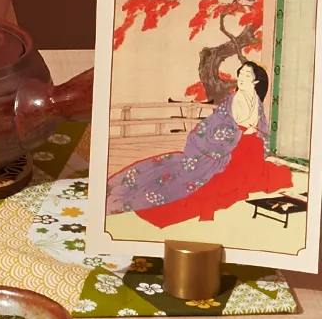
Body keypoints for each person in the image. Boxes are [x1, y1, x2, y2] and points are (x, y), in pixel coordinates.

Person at [106, 61, 294, 228]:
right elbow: (212, 126)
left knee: (280, 174)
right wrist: (239, 134)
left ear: (256, 82)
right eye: (240, 73)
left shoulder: (257, 104)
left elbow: (263, 130)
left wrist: (265, 150)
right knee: (197, 185)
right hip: (229, 153)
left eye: (246, 75)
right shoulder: (231, 101)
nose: (241, 78)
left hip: (250, 153)